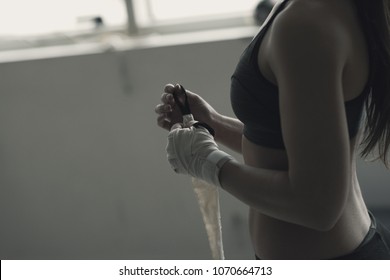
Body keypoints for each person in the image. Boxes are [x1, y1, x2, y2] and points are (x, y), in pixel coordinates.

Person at [155, 0, 390, 259]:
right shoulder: (310, 12)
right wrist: (214, 123)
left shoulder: (306, 25)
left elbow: (317, 205)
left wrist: (208, 163)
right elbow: (288, 146)